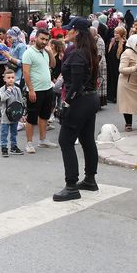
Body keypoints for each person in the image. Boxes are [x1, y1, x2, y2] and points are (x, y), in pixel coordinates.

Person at [53, 17, 100, 202]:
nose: (66, 32)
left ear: (77, 32)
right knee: (87, 140)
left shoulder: (78, 53)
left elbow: (77, 83)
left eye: (69, 29)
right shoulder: (88, 51)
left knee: (65, 141)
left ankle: (71, 186)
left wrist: (67, 103)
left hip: (80, 101)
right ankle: (89, 179)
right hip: (90, 99)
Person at [21, 28, 58, 153]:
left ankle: (43, 140)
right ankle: (29, 143)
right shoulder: (29, 53)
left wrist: (50, 53)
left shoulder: (45, 51)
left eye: (46, 40)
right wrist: (31, 90)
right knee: (31, 118)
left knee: (44, 116)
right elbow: (26, 73)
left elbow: (53, 65)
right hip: (35, 90)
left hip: (48, 88)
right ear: (36, 38)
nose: (44, 42)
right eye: (42, 39)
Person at [117, 34, 137, 132]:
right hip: (127, 83)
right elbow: (121, 69)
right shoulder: (126, 53)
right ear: (134, 44)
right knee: (127, 104)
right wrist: (135, 68)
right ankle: (128, 124)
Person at [0, 69, 24, 157]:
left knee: (14, 132)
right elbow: (3, 98)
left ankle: (13, 146)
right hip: (6, 115)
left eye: (12, 77)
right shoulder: (2, 89)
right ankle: (4, 147)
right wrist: (8, 91)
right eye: (8, 78)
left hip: (15, 114)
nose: (11, 79)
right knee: (4, 132)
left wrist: (22, 114)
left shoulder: (17, 89)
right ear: (4, 79)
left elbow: (20, 101)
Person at [106, 26, 127, 103]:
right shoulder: (111, 41)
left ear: (121, 34)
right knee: (110, 79)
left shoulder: (124, 43)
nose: (115, 34)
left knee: (117, 80)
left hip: (118, 65)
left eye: (117, 33)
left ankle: (117, 96)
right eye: (115, 33)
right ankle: (110, 96)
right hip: (110, 64)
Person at [91, 27, 108, 106]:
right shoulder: (92, 40)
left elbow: (99, 55)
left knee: (100, 82)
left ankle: (99, 101)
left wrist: (95, 64)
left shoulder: (99, 40)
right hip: (94, 62)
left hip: (100, 63)